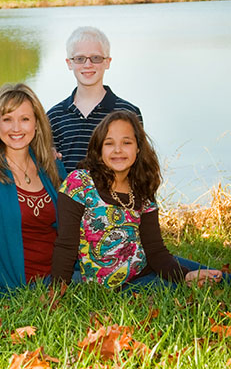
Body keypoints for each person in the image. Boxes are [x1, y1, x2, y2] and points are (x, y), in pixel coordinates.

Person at [51, 110, 224, 290]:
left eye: (126, 142)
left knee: (218, 278)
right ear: (99, 149)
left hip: (146, 270)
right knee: (196, 286)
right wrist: (56, 292)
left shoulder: (142, 189)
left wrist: (186, 275)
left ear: (138, 148)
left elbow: (155, 251)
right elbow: (66, 245)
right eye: (109, 143)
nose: (118, 150)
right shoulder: (79, 184)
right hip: (113, 288)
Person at [0, 83, 67, 301]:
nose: (16, 128)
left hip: (60, 282)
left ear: (37, 124)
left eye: (25, 119)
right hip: (14, 286)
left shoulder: (54, 168)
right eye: (7, 119)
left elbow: (69, 232)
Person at [47, 26, 142, 173]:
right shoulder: (54, 116)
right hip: (67, 195)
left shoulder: (128, 112)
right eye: (80, 58)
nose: (88, 65)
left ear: (107, 62)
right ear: (69, 63)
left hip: (114, 196)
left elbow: (140, 166)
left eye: (96, 58)